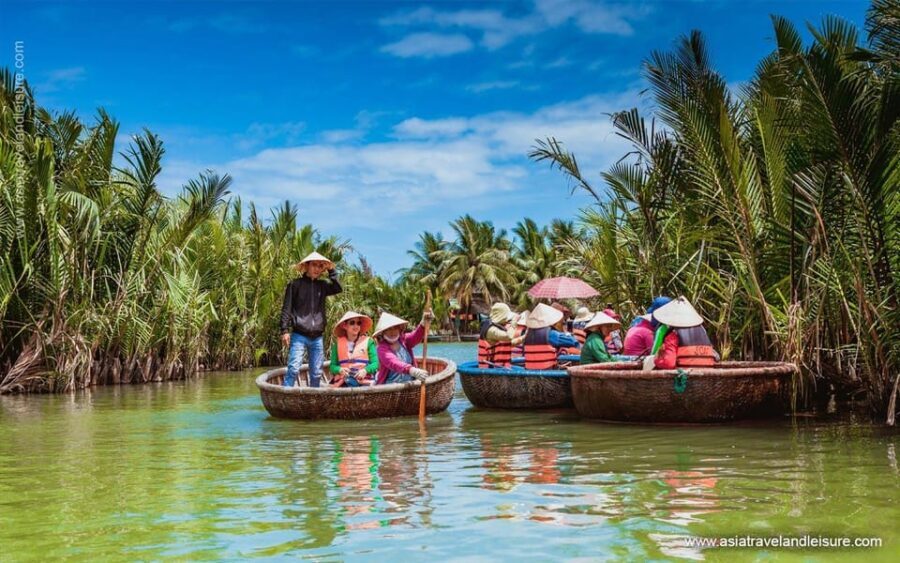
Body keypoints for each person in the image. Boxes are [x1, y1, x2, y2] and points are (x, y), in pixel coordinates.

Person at [281, 251, 342, 388]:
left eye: (321, 266)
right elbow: (287, 308)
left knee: (316, 373)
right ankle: (286, 396)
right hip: (299, 335)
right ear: (307, 266)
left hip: (317, 337)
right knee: (293, 369)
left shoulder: (323, 286)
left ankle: (314, 399)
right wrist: (284, 330)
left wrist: (331, 270)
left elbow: (338, 288)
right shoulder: (295, 285)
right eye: (314, 265)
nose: (317, 269)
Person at [646, 296, 718, 370]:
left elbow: (669, 364)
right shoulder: (702, 331)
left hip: (686, 375)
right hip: (707, 373)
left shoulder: (673, 335)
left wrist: (657, 361)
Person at [374, 308, 433, 384]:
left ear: (399, 329)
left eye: (395, 328)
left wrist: (423, 324)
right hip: (389, 387)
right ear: (383, 332)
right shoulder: (381, 348)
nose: (392, 332)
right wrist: (411, 370)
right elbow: (393, 362)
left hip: (409, 383)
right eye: (388, 329)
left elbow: (416, 336)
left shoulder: (404, 340)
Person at [523, 303, 580, 370]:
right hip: (548, 372)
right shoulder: (552, 334)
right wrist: (562, 330)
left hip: (529, 372)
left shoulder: (528, 334)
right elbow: (573, 342)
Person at [329, 311, 378, 387]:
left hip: (364, 380)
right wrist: (339, 370)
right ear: (345, 326)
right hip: (344, 381)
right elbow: (332, 366)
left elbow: (375, 363)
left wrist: (365, 370)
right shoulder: (337, 343)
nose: (356, 326)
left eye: (358, 323)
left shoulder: (369, 342)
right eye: (352, 323)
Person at [477, 303, 525, 368]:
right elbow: (508, 337)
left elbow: (508, 344)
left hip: (500, 368)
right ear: (501, 316)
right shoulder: (491, 329)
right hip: (489, 370)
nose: (508, 320)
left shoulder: (499, 327)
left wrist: (525, 337)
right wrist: (514, 322)